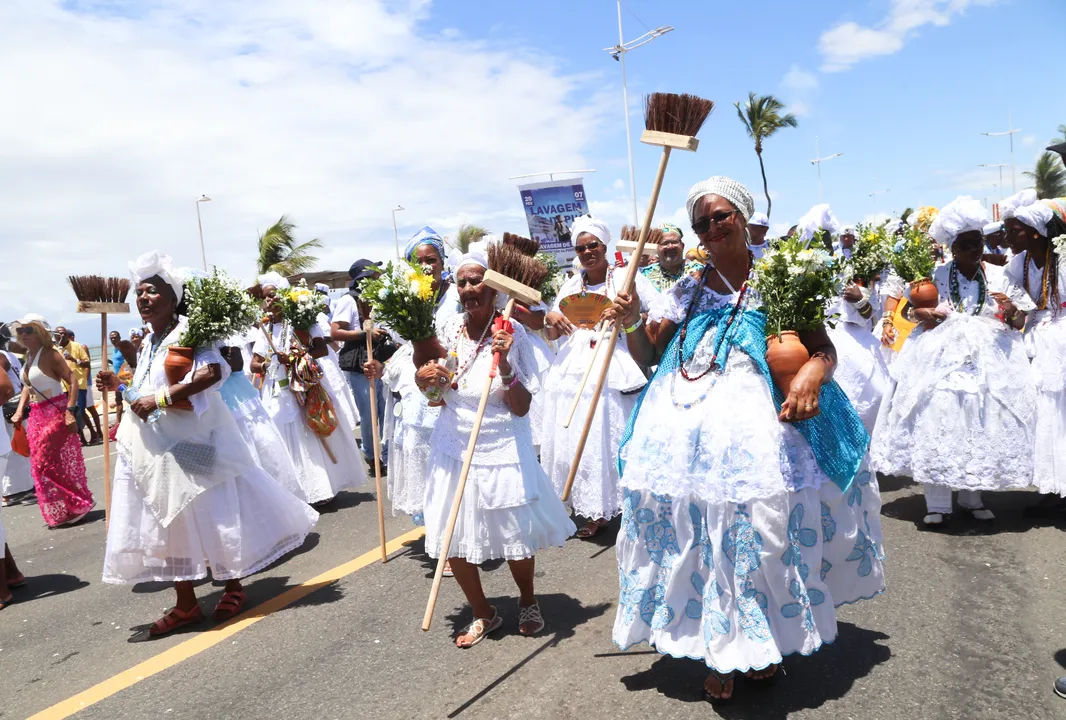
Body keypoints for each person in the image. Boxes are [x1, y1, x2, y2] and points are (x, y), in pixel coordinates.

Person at [609, 176, 884, 701]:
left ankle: (759, 641)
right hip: (683, 436)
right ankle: (719, 648)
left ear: (741, 215)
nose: (711, 228)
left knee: (757, 534)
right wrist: (629, 325)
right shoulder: (685, 289)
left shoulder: (777, 279)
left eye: (720, 216)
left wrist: (810, 375)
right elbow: (646, 359)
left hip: (760, 432)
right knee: (697, 536)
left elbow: (823, 348)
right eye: (701, 223)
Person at [96, 251, 318, 635]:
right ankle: (185, 603)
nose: (143, 298)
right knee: (165, 515)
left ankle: (232, 583)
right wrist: (118, 385)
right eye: (139, 293)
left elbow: (215, 370)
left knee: (212, 508)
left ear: (173, 296)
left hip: (194, 439)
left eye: (151, 291)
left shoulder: (191, 331)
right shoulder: (149, 341)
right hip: (155, 445)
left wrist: (162, 399)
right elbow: (144, 391)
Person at [406, 246, 575, 647]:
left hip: (501, 441)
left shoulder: (512, 333)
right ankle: (484, 612)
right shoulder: (447, 329)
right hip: (453, 444)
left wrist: (504, 366)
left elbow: (520, 408)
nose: (469, 288)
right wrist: (427, 380)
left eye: (477, 279)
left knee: (513, 532)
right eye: (462, 281)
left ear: (494, 286)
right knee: (454, 534)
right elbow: (437, 394)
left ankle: (529, 599)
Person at [871, 196, 1036, 526]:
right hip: (939, 357)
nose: (975, 250)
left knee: (979, 417)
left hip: (989, 359)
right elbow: (908, 311)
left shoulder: (1000, 276)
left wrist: (1011, 311)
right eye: (966, 245)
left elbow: (1022, 321)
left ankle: (972, 495)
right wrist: (924, 312)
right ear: (953, 248)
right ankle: (938, 503)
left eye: (978, 242)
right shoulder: (935, 276)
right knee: (939, 416)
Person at [540, 216, 658, 538]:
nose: (587, 252)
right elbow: (553, 328)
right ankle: (592, 506)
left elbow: (658, 310)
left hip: (612, 358)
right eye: (581, 248)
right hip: (574, 364)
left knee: (608, 434)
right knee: (580, 434)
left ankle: (626, 501)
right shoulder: (569, 284)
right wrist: (551, 319)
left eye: (593, 245)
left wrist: (629, 313)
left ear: (604, 246)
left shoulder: (625, 276)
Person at [254, 272, 367, 507]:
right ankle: (297, 491)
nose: (270, 302)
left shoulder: (300, 322)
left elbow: (321, 350)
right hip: (278, 391)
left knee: (312, 430)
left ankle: (323, 487)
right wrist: (269, 363)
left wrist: (297, 357)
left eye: (273, 296)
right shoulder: (264, 330)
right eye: (265, 298)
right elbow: (254, 363)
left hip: (305, 383)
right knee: (286, 435)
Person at [1003, 198, 1066, 501]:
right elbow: (1016, 300)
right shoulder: (1019, 263)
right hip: (1035, 337)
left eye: (1015, 231)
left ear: (1037, 233)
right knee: (1042, 414)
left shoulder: (1062, 258)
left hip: (1061, 336)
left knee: (1060, 411)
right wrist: (1013, 308)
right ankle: (1051, 487)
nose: (1008, 238)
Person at [9, 315, 94, 527]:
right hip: (37, 414)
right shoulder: (30, 356)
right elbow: (28, 387)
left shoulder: (50, 354)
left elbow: (72, 380)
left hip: (54, 411)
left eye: (29, 330)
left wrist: (70, 410)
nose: (24, 334)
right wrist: (20, 411)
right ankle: (69, 506)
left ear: (40, 332)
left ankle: (79, 501)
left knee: (43, 461)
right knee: (43, 464)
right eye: (21, 331)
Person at [332, 259, 393, 469]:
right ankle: (370, 452)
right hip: (360, 363)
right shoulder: (348, 301)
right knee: (369, 412)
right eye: (372, 277)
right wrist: (364, 333)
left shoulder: (379, 299)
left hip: (381, 359)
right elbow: (335, 332)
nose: (377, 279)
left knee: (386, 409)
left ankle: (386, 452)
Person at [1, 327, 34, 506]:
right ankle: (26, 486)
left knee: (12, 449)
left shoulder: (1, 356)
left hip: (8, 406)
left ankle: (15, 490)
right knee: (21, 447)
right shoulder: (11, 354)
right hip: (18, 403)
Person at [54, 326, 101, 446]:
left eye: (64, 333)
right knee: (68, 414)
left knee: (79, 412)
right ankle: (81, 439)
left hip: (79, 385)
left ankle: (94, 433)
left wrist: (75, 360)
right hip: (63, 387)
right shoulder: (53, 350)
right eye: (59, 334)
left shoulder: (77, 346)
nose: (62, 336)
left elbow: (87, 363)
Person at [639, 222, 699, 292]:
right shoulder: (644, 275)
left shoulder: (699, 271)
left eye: (674, 242)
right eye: (665, 243)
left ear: (682, 246)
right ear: (656, 248)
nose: (670, 246)